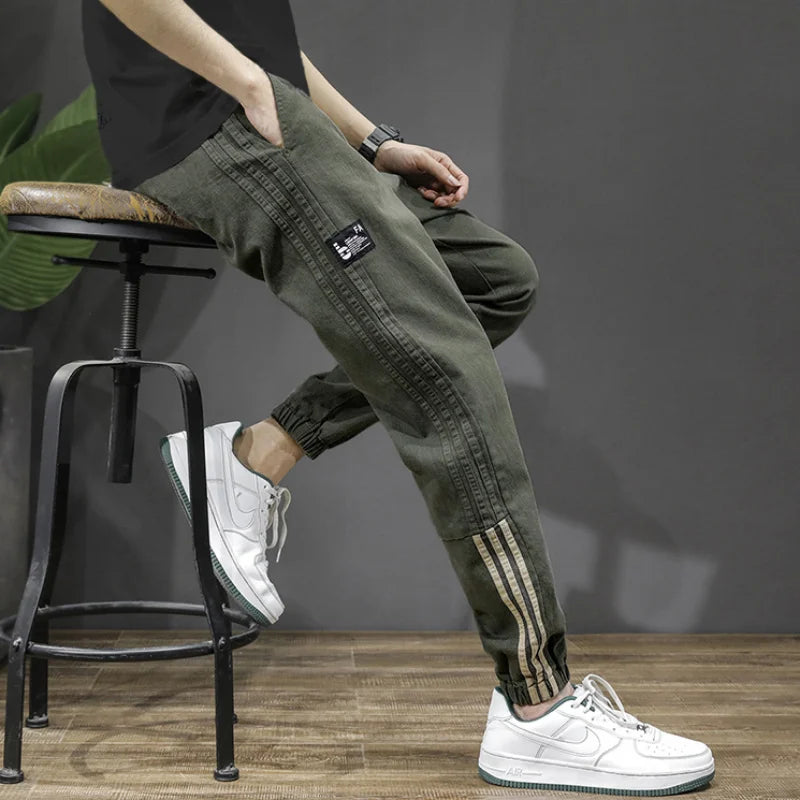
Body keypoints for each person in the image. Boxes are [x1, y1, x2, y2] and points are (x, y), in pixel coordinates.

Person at [82, 1, 715, 793]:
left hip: (264, 110)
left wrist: (373, 142)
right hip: (214, 127)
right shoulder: (230, 100)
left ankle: (256, 455)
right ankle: (538, 706)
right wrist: (247, 85)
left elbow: (258, 29)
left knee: (495, 281)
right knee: (445, 365)